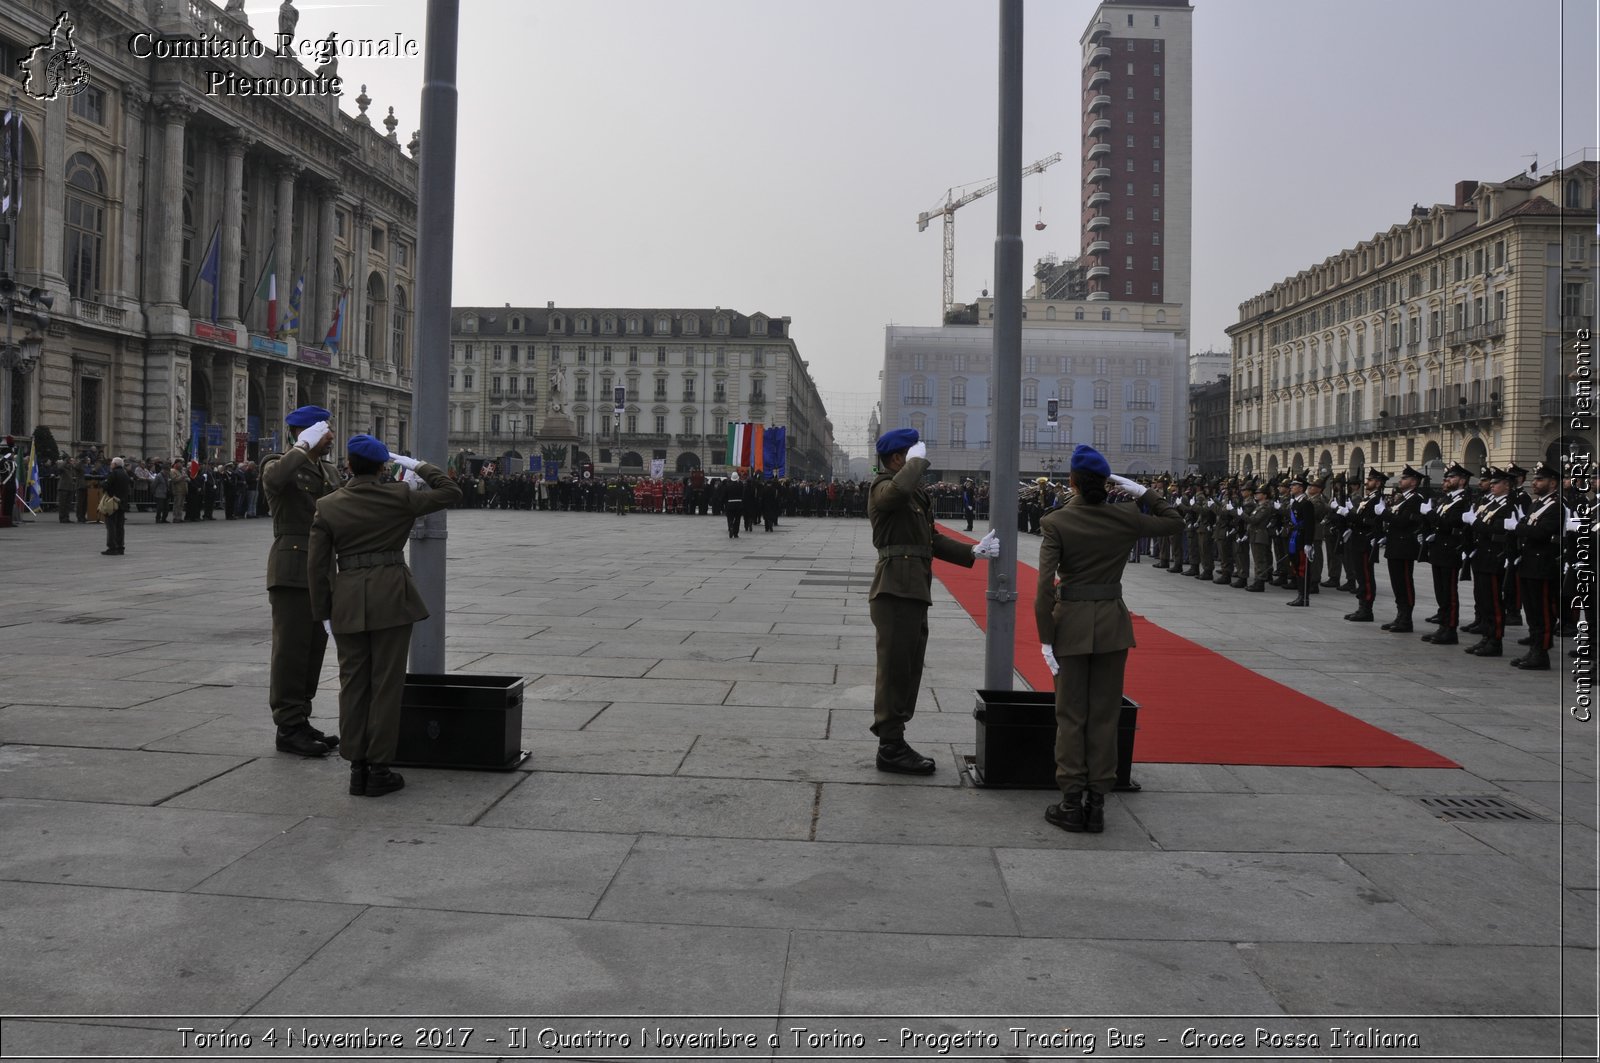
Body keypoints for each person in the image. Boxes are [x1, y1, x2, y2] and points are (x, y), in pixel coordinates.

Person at [1034, 444, 1181, 833]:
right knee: (1104, 715)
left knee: (1070, 716)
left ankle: (1070, 801)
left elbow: (1044, 589)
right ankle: (1097, 801)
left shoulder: (1056, 522)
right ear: (1107, 483)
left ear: (1072, 482)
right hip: (1113, 626)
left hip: (1070, 627)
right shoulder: (1126, 517)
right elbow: (1174, 520)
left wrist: (1045, 638)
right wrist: (1139, 491)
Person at [307, 435, 462, 797]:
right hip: (392, 596)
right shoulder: (400, 496)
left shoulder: (327, 505)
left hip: (346, 599)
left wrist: (322, 611)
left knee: (353, 684)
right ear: (382, 466)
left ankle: (356, 766)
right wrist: (416, 464)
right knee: (387, 686)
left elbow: (317, 566)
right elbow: (450, 490)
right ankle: (379, 768)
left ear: (348, 465)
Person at [867, 428, 999, 774]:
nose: (922, 463)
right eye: (913, 455)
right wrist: (915, 463)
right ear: (898, 458)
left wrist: (972, 551)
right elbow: (893, 494)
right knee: (895, 671)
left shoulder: (914, 495)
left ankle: (895, 740)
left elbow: (931, 539)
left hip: (912, 591)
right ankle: (890, 746)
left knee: (908, 670)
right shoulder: (883, 486)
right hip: (894, 590)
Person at [261, 405, 342, 758]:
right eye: (326, 431)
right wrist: (300, 447)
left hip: (323, 569)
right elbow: (276, 481)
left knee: (312, 650)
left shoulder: (329, 470)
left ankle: (301, 717)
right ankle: (288, 726)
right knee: (291, 651)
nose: (332, 438)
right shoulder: (277, 463)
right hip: (292, 568)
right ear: (308, 432)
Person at [1510, 462, 1564, 671]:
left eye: (1540, 480)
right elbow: (1529, 528)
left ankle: (1541, 652)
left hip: (1543, 564)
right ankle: (1534, 648)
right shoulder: (1536, 504)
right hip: (1529, 562)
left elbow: (1542, 532)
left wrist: (1519, 528)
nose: (1535, 483)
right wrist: (1522, 528)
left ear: (1553, 483)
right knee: (1531, 611)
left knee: (1542, 611)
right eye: (1535, 479)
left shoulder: (1556, 506)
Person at [1420, 463, 1473, 646]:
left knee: (1449, 593)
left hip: (1451, 551)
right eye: (1446, 478)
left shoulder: (1463, 501)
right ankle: (1442, 626)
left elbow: (1448, 524)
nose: (1446, 480)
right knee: (1440, 592)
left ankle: (1450, 629)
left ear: (1462, 481)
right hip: (1439, 550)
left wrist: (1430, 515)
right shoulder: (1447, 500)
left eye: (1451, 477)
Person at [1284, 474, 1317, 606]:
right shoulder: (1296, 502)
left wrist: (1308, 543)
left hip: (1302, 540)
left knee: (1303, 568)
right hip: (1294, 539)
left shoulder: (1306, 503)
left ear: (1301, 488)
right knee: (1296, 567)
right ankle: (1300, 595)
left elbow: (1310, 525)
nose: (1291, 487)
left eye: (1294, 485)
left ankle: (1304, 597)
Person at [101, 456, 131, 555]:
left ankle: (112, 547)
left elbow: (107, 485)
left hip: (112, 502)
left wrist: (102, 483)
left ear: (115, 464)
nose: (111, 465)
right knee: (120, 526)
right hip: (122, 503)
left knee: (111, 525)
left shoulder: (113, 473)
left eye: (112, 464)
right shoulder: (125, 474)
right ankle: (120, 547)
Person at [723, 471, 744, 538]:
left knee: (730, 518)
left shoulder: (728, 485)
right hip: (738, 504)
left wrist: (726, 503)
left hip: (730, 504)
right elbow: (743, 494)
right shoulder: (740, 485)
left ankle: (731, 526)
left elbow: (725, 496)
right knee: (737, 520)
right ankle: (735, 533)